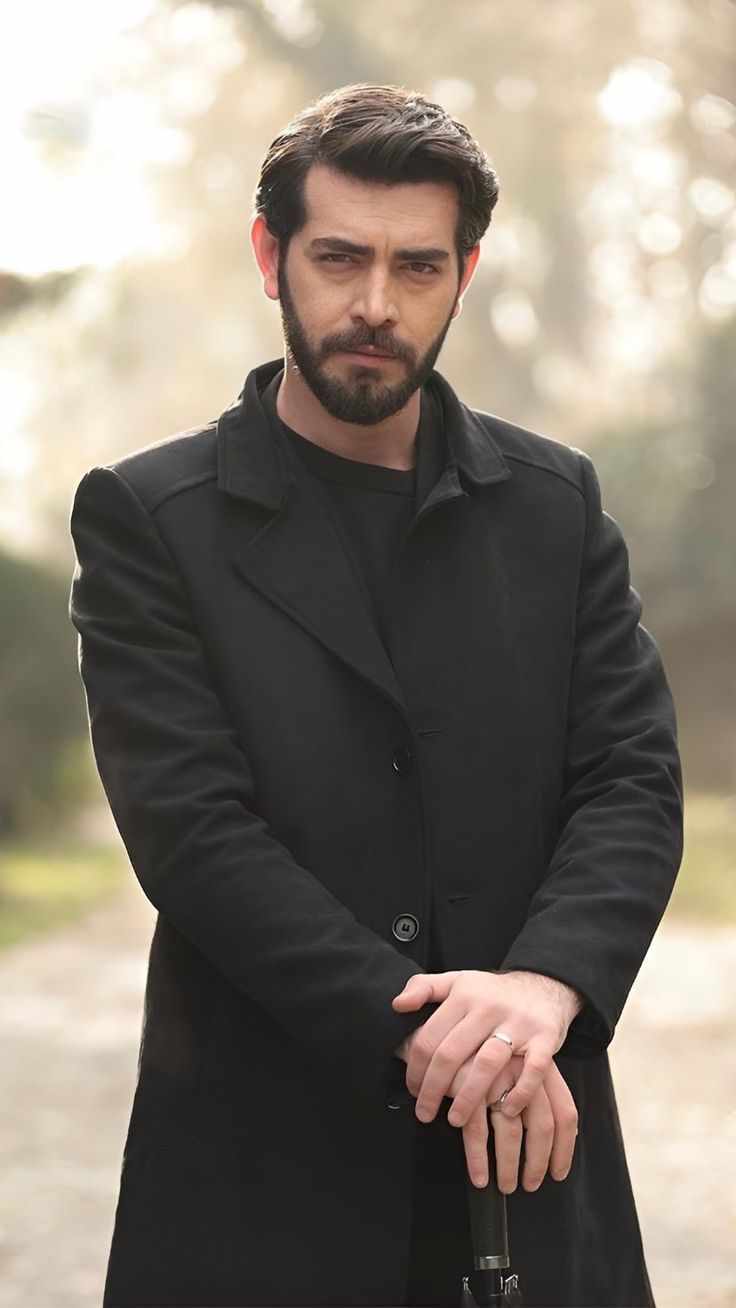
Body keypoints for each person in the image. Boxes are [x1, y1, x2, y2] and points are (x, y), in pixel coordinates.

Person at [68, 83, 683, 1308]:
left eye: (417, 267)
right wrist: (432, 1033)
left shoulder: (555, 506)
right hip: (260, 1172)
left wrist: (544, 988)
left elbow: (629, 779)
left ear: (464, 275)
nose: (374, 306)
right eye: (339, 258)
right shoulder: (150, 518)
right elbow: (193, 832)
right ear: (270, 257)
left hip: (529, 1148)